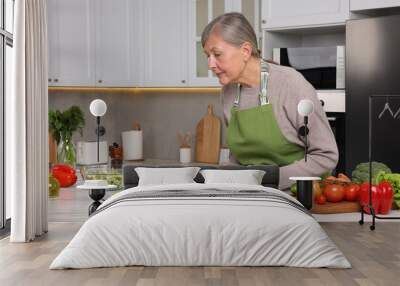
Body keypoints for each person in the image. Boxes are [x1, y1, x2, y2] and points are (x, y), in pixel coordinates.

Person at [201, 12, 338, 189]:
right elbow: (238, 157)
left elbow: (326, 156)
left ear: (245, 51)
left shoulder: (291, 85)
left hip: (296, 195)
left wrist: (269, 181)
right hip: (252, 192)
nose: (210, 64)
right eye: (207, 56)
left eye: (217, 54)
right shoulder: (229, 91)